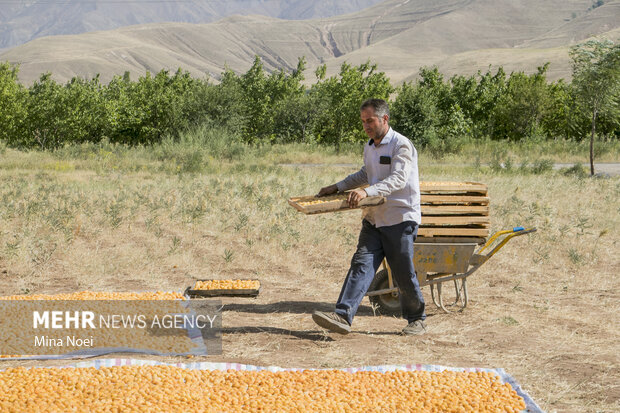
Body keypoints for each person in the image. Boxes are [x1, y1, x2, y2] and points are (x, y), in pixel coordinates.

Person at [312, 98, 427, 336]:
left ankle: (417, 319)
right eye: (363, 121)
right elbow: (367, 172)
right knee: (361, 265)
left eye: (370, 120)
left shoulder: (401, 145)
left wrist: (366, 191)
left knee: (402, 272)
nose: (366, 126)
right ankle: (342, 315)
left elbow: (398, 180)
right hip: (374, 218)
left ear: (384, 119)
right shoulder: (370, 146)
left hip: (400, 218)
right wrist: (338, 186)